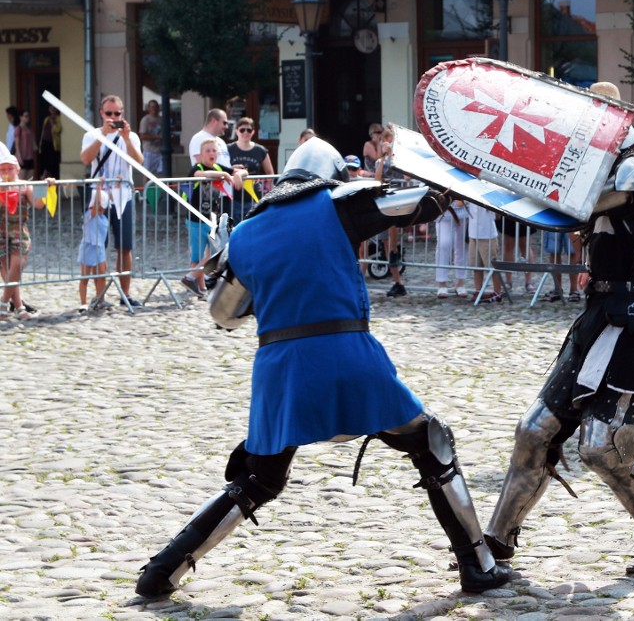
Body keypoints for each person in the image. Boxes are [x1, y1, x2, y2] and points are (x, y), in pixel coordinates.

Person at [134, 136, 512, 598]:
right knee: (432, 444)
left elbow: (223, 315)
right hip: (346, 354)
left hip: (279, 369)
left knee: (259, 478)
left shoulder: (246, 233)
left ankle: (162, 572)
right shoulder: (338, 203)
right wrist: (460, 172)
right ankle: (478, 564)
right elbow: (423, 203)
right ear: (329, 175)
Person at [484, 81, 634, 576]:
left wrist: (526, 177)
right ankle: (496, 542)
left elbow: (583, 203)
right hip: (600, 318)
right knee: (534, 431)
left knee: (601, 446)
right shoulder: (602, 172)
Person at [80, 94, 144, 308]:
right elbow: (86, 159)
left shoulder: (131, 137)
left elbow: (139, 161)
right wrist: (102, 137)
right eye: (109, 113)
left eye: (117, 113)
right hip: (99, 195)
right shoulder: (91, 135)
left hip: (123, 194)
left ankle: (125, 294)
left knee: (125, 247)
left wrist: (125, 138)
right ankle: (100, 296)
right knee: (99, 246)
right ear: (101, 114)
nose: (114, 117)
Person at [181, 138, 247, 297]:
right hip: (196, 218)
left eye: (214, 150)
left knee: (214, 252)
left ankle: (194, 280)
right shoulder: (197, 167)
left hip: (211, 218)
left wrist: (238, 174)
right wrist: (223, 174)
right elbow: (201, 174)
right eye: (208, 151)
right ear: (201, 155)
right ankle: (195, 283)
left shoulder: (218, 166)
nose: (211, 153)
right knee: (199, 254)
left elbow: (242, 171)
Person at [0, 149, 47, 320]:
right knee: (7, 270)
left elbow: (39, 204)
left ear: (17, 169)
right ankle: (19, 307)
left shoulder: (25, 186)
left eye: (9, 169)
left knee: (17, 266)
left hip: (19, 230)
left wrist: (44, 188)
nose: (6, 172)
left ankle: (4, 303)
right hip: (1, 232)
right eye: (2, 169)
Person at [374, 127, 407, 297]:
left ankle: (398, 281)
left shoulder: (398, 160)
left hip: (396, 205)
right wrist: (383, 158)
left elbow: (406, 178)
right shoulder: (379, 161)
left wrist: (393, 155)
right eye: (382, 143)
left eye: (387, 142)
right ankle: (396, 281)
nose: (384, 145)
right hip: (383, 206)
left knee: (393, 245)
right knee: (386, 244)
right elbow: (377, 178)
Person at [227, 117, 274, 222]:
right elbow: (221, 168)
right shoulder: (228, 149)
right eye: (242, 130)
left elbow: (270, 172)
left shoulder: (260, 150)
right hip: (234, 197)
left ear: (253, 132)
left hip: (254, 196)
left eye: (249, 130)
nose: (245, 133)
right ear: (236, 131)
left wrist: (271, 194)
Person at [77, 180, 110, 313]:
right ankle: (83, 302)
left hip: (100, 247)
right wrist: (98, 186)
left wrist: (117, 185)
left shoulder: (103, 217)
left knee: (102, 274)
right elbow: (96, 204)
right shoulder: (89, 215)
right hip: (88, 247)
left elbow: (111, 199)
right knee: (85, 276)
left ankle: (100, 298)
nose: (101, 209)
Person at [467, 202, 502, 303]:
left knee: (492, 265)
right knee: (476, 265)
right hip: (473, 232)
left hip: (487, 234)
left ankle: (497, 291)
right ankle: (478, 290)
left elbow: (498, 215)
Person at [435, 199, 469, 298]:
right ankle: (442, 283)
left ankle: (460, 282)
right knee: (443, 244)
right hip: (444, 210)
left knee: (462, 246)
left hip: (464, 210)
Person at [540, 230, 581, 303]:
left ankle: (574, 290)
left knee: (573, 251)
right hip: (554, 220)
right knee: (553, 251)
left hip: (573, 220)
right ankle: (557, 289)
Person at [138, 100, 163, 175]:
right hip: (149, 151)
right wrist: (157, 137)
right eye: (152, 107)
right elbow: (142, 136)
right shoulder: (145, 120)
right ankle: (146, 187)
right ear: (149, 108)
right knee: (147, 173)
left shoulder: (161, 119)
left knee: (161, 173)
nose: (154, 109)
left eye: (156, 107)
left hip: (160, 151)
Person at [39, 105, 62, 180]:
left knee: (52, 163)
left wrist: (53, 123)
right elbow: (43, 132)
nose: (52, 110)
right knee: (44, 162)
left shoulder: (58, 118)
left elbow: (57, 130)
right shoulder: (46, 119)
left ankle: (48, 176)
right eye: (50, 108)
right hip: (45, 143)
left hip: (53, 144)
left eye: (54, 108)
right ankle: (44, 176)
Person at [14, 110, 35, 180]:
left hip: (30, 157)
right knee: (22, 179)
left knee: (30, 178)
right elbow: (17, 145)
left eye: (28, 116)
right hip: (22, 157)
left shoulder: (29, 129)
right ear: (21, 117)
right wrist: (19, 158)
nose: (27, 118)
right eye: (25, 116)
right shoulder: (18, 129)